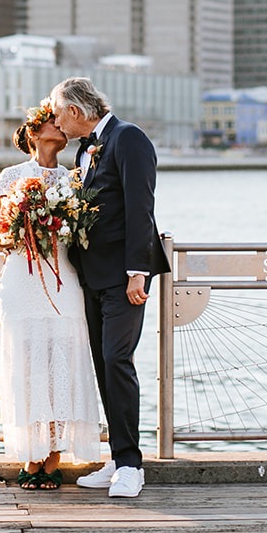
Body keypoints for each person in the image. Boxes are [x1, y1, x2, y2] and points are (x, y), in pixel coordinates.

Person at [50, 76, 169, 499]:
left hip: (123, 276)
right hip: (92, 277)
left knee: (118, 360)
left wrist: (139, 271)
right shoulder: (84, 152)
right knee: (102, 364)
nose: (56, 121)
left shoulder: (128, 138)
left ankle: (133, 466)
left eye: (59, 112)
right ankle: (118, 459)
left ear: (77, 112)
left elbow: (141, 206)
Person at [0, 102, 103, 490]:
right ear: (35, 133)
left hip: (63, 280)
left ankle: (52, 459)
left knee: (60, 367)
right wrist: (23, 228)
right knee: (27, 366)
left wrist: (58, 230)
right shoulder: (11, 176)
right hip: (23, 279)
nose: (60, 125)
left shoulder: (75, 179)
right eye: (52, 121)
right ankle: (30, 457)